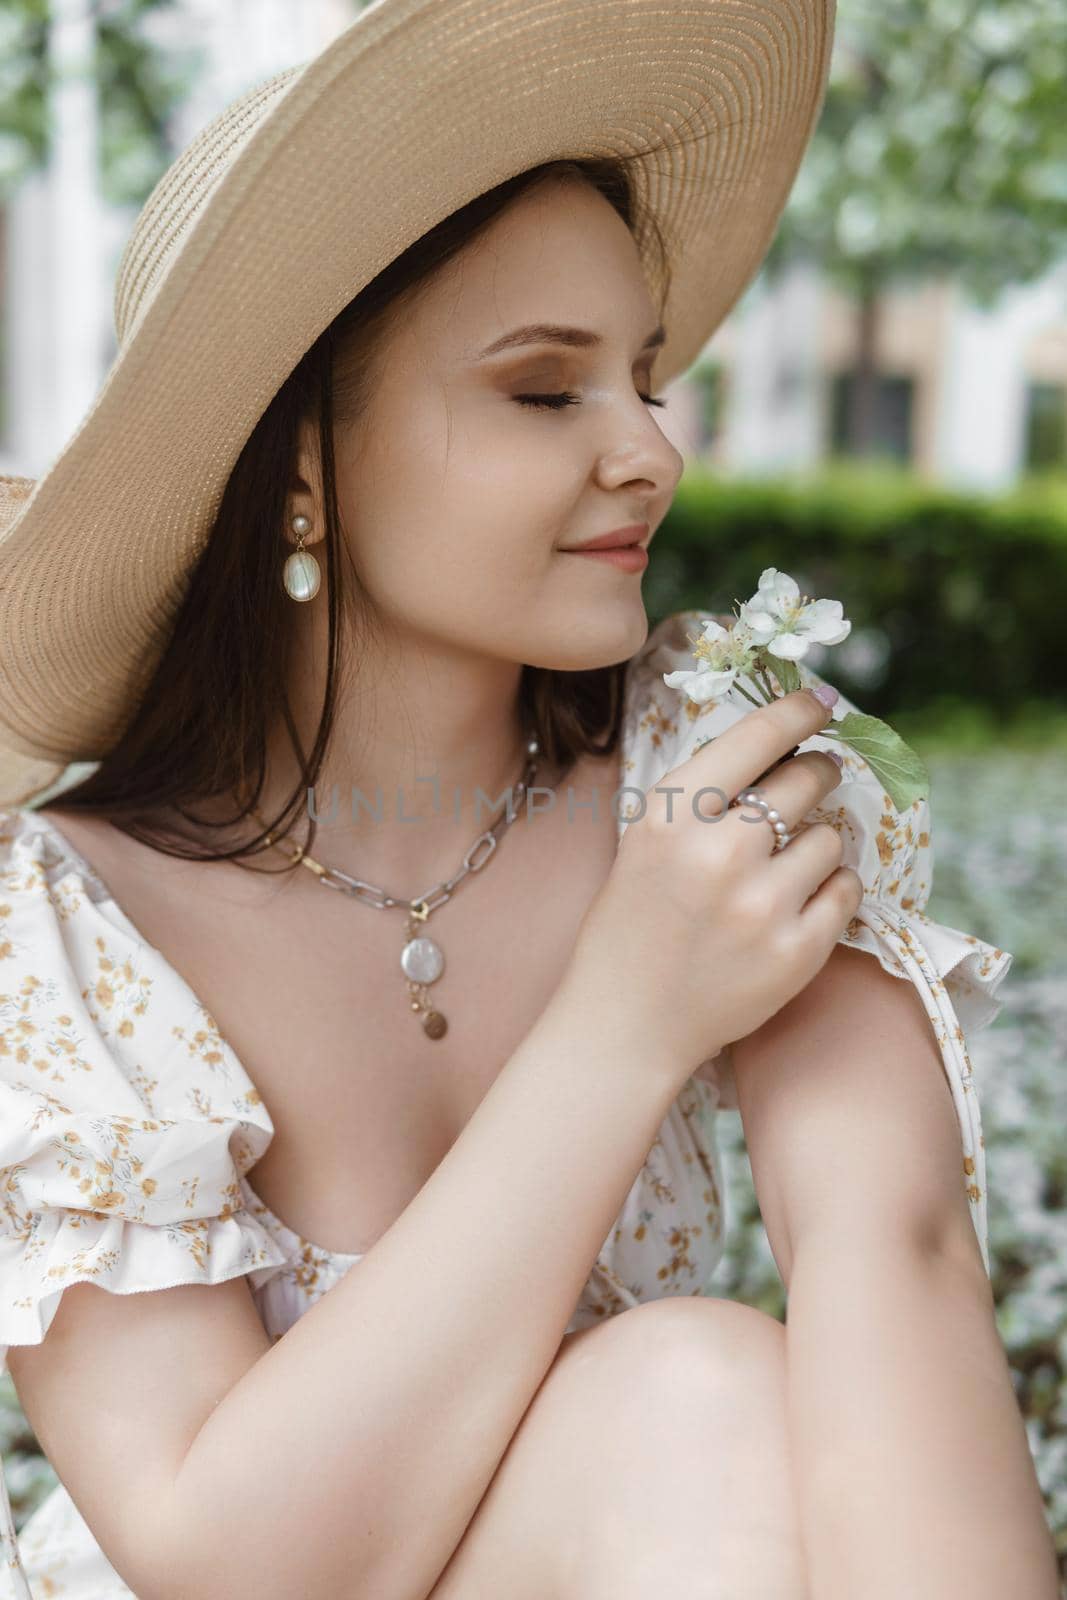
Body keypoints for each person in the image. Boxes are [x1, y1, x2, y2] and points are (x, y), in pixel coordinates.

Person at [0, 2, 1054, 1597]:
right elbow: (231, 1572)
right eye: (544, 392)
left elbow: (889, 1251)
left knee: (697, 1398)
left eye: (642, 375)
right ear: (300, 458)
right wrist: (626, 1014)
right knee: (692, 1404)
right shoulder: (59, 937)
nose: (650, 451)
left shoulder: (718, 770)